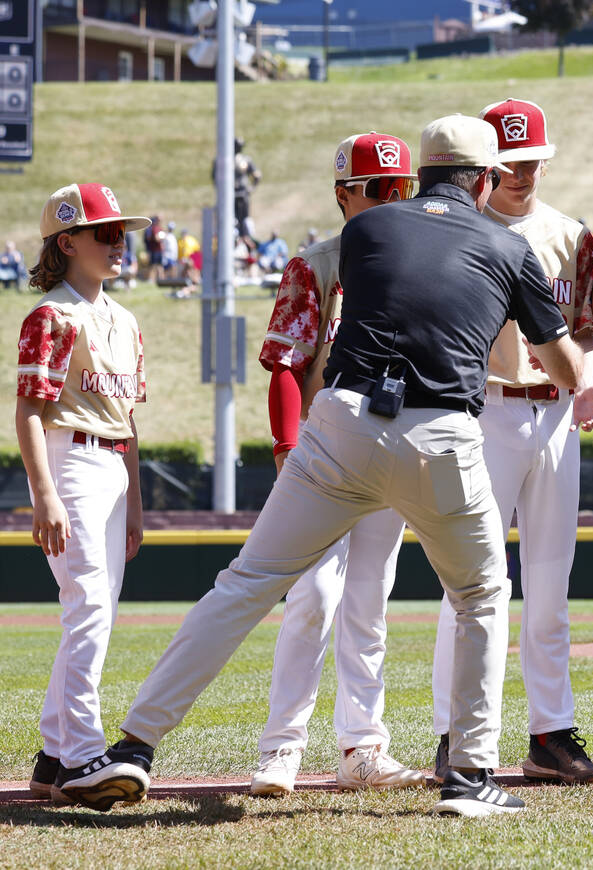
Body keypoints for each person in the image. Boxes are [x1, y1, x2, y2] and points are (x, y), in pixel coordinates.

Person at [54, 115, 593, 818]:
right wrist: (574, 377)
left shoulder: (364, 232)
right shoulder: (506, 242)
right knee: (480, 595)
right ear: (488, 180)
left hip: (341, 422)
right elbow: (557, 359)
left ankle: (134, 746)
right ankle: (468, 777)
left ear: (421, 175)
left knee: (244, 585)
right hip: (440, 431)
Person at [430, 98, 593, 786]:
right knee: (470, 579)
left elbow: (585, 330)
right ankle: (453, 735)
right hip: (482, 409)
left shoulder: (570, 233)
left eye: (532, 158)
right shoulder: (456, 230)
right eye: (508, 161)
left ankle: (550, 731)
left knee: (549, 584)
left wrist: (587, 384)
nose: (521, 170)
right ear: (485, 165)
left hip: (557, 414)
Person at [249, 132, 421, 797]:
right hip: (322, 454)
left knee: (369, 603)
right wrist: (288, 447)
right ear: (344, 194)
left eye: (401, 186)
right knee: (313, 598)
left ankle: (362, 748)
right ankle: (282, 749)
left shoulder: (420, 257)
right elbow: (285, 364)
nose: (390, 197)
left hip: (390, 448)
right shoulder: (317, 262)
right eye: (377, 187)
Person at [17, 184, 150, 802]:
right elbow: (29, 414)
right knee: (88, 607)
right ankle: (80, 758)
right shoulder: (52, 314)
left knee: (93, 611)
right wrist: (44, 494)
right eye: (106, 232)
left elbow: (129, 418)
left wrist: (138, 500)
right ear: (67, 241)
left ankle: (52, 754)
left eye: (122, 232)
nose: (119, 242)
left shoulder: (124, 319)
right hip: (70, 461)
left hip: (114, 467)